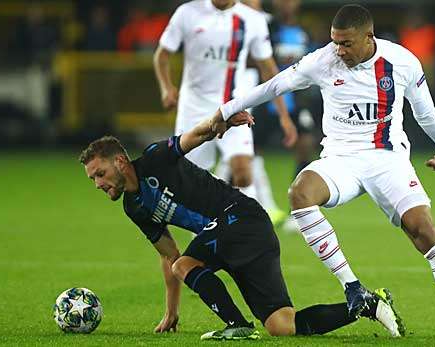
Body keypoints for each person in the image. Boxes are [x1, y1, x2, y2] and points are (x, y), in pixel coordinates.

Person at [214, 4, 435, 346]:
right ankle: (353, 288)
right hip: (341, 160)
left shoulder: (402, 62)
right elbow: (275, 85)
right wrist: (226, 111)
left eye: (346, 43)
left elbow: (426, 113)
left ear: (368, 37)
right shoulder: (323, 60)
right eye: (335, 42)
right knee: (299, 193)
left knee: (424, 231)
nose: (339, 50)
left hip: (387, 160)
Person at [79, 112, 402, 339]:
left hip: (241, 218)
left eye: (100, 174)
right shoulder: (133, 207)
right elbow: (170, 256)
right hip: (229, 237)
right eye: (93, 179)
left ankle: (237, 325)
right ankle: (367, 305)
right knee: (282, 325)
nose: (97, 184)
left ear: (120, 162)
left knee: (187, 263)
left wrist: (223, 121)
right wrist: (172, 310)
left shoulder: (154, 159)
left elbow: (193, 137)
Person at [153, 0, 297, 206]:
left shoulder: (252, 20)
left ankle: (249, 228)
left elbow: (269, 70)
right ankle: (204, 231)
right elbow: (162, 55)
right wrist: (166, 88)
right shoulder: (188, 13)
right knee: (192, 180)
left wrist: (284, 115)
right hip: (194, 107)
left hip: (232, 108)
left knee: (243, 172)